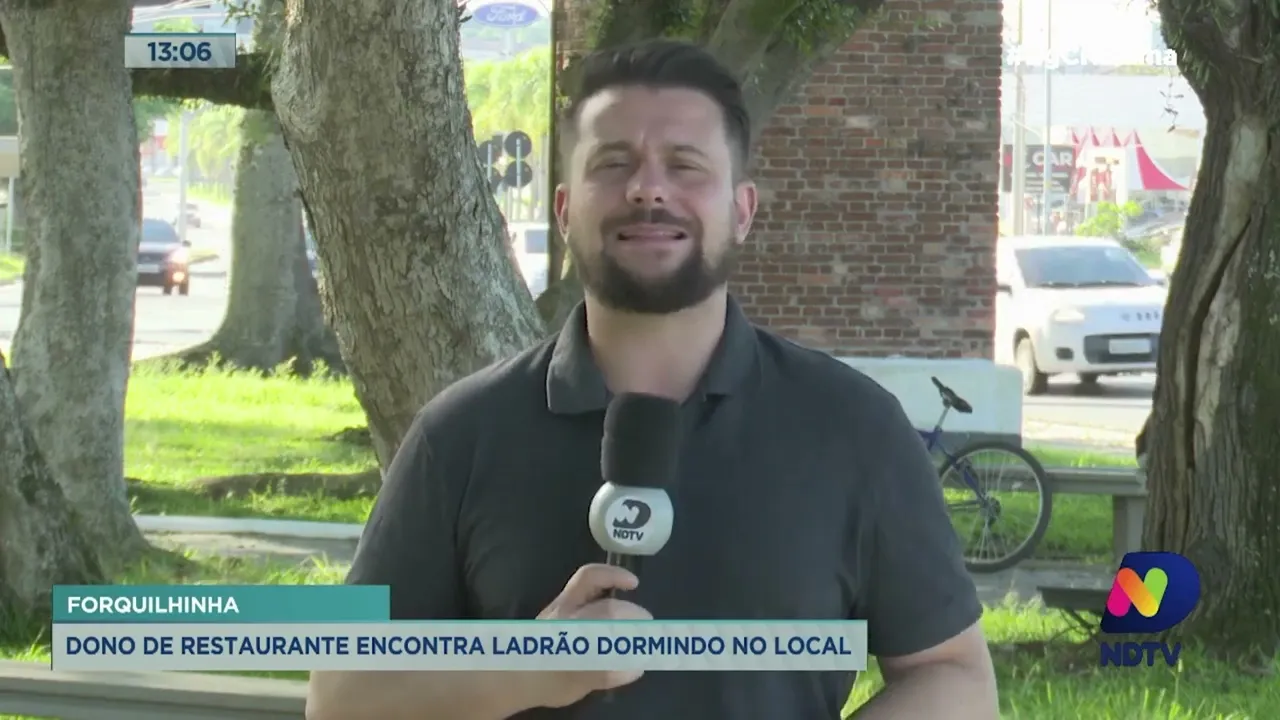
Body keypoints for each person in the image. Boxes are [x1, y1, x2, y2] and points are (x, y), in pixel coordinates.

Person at [306, 39, 998, 719]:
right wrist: (522, 671)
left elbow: (954, 677)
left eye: (685, 164)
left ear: (743, 210)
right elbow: (340, 700)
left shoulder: (854, 430)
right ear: (564, 208)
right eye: (613, 164)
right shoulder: (460, 435)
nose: (647, 187)